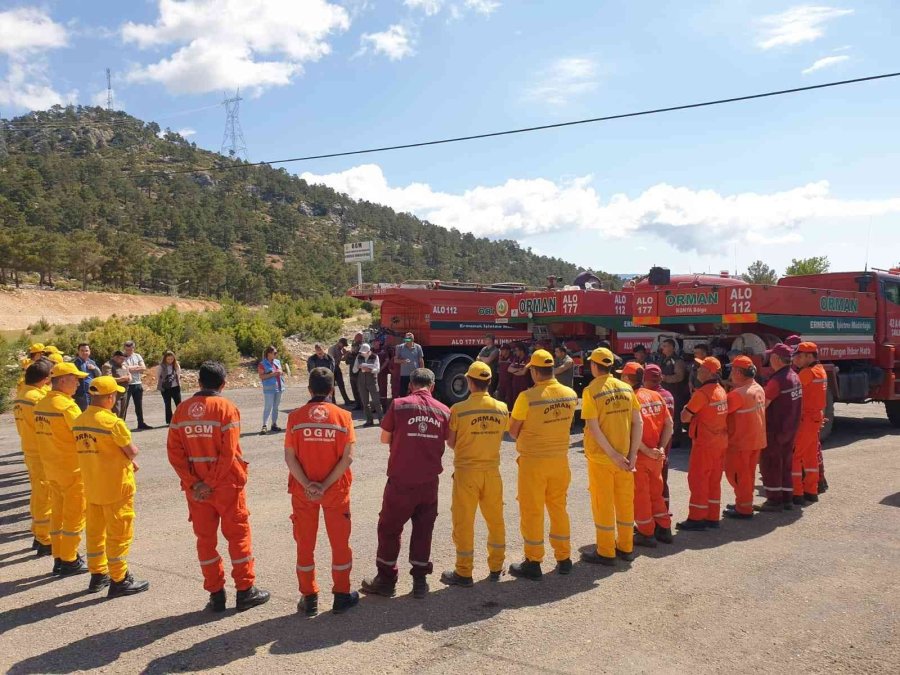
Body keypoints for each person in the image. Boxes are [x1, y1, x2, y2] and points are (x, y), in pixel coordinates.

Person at [167, 361, 270, 612]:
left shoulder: (181, 411)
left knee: (205, 541)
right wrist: (210, 482)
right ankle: (245, 591)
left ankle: (216, 595)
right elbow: (228, 453)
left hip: (198, 491)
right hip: (227, 486)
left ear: (199, 382)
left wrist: (195, 484)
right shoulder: (226, 408)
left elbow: (174, 453)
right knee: (238, 537)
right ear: (223, 384)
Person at [360, 368, 450, 600]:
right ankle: (420, 581)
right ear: (432, 387)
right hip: (428, 483)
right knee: (423, 529)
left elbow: (384, 438)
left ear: (411, 385)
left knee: (389, 529)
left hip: (401, 481)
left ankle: (386, 580)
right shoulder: (444, 411)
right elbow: (450, 441)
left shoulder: (399, 405)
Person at [284, 368, 359, 617]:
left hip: (304, 493)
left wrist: (308, 484)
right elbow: (347, 458)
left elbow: (290, 458)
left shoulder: (295, 418)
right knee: (340, 544)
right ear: (332, 390)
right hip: (335, 491)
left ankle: (309, 597)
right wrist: (324, 486)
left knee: (305, 544)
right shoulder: (343, 417)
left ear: (309, 389)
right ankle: (341, 595)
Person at [74, 375, 150, 597]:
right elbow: (131, 450)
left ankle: (98, 574)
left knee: (95, 532)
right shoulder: (113, 423)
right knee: (119, 534)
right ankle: (120, 578)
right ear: (108, 398)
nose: (116, 398)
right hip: (116, 486)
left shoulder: (79, 420)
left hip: (93, 485)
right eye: (115, 395)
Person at [507, 349, 577, 580]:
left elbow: (513, 431)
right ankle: (564, 558)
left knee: (532, 510)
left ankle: (533, 561)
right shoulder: (569, 394)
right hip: (560, 461)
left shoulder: (527, 397)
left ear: (535, 372)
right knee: (558, 508)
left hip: (533, 463)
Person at [440, 361, 509, 587]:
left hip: (467, 473)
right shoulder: (501, 407)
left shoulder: (458, 409)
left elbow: (450, 442)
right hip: (492, 472)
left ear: (469, 382)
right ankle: (497, 566)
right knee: (496, 521)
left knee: (464, 522)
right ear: (489, 382)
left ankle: (464, 572)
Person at [579, 349, 643, 565]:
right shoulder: (626, 388)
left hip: (601, 459)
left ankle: (606, 551)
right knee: (625, 503)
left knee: (603, 504)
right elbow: (638, 422)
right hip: (625, 460)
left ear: (595, 366)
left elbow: (594, 427)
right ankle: (626, 547)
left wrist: (612, 455)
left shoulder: (591, 390)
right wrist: (631, 455)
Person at [34, 362, 89, 575]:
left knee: (57, 514)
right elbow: (82, 434)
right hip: (71, 469)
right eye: (75, 379)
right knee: (74, 515)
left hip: (51, 468)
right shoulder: (67, 406)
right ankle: (69, 559)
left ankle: (58, 555)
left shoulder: (42, 404)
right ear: (63, 380)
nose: (78, 383)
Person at [619, 361, 674, 547]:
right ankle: (664, 528)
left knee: (640, 496)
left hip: (642, 457)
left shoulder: (629, 399)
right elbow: (669, 425)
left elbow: (632, 430)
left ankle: (645, 532)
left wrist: (646, 450)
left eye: (622, 376)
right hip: (657, 457)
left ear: (627, 378)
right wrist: (660, 448)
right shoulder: (656, 395)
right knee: (656, 493)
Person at [677, 356, 729, 531]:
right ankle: (712, 516)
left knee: (699, 480)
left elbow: (685, 416)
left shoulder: (702, 393)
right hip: (719, 441)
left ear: (709, 372)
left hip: (705, 443)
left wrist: (685, 409)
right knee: (714, 480)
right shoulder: (720, 390)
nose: (697, 370)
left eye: (700, 368)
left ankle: (697, 518)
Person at [13, 359, 53, 556]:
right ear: (45, 379)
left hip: (30, 449)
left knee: (38, 492)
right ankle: (45, 538)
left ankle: (38, 533)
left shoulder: (23, 394)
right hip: (41, 451)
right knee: (45, 494)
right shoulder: (37, 399)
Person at [758, 343, 803, 512]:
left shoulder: (777, 381)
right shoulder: (794, 376)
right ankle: (787, 499)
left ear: (776, 359)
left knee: (771, 464)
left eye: (771, 357)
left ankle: (775, 500)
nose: (769, 360)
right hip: (790, 428)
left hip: (775, 430)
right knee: (786, 464)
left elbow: (764, 405)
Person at [722, 356, 767, 520]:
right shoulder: (758, 388)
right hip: (756, 440)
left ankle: (744, 508)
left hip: (740, 442)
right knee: (747, 475)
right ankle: (744, 503)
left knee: (736, 475)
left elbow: (722, 414)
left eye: (733, 370)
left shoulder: (738, 394)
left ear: (739, 372)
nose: (731, 373)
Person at [791, 342, 827, 505]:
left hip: (806, 419)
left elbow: (792, 390)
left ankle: (797, 492)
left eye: (799, 356)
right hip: (816, 418)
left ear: (808, 356)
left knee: (795, 455)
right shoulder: (821, 371)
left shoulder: (807, 373)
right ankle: (811, 490)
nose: (797, 359)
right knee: (810, 456)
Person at [643, 364, 675, 510]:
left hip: (650, 447)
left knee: (651, 486)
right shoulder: (668, 395)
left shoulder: (648, 397)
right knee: (663, 482)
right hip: (665, 446)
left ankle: (654, 519)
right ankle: (665, 513)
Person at [659, 339, 688, 447]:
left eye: (665, 346)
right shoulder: (662, 359)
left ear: (672, 347)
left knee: (675, 416)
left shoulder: (678, 361)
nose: (663, 348)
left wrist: (665, 378)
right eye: (663, 346)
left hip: (675, 392)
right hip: (665, 392)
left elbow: (679, 376)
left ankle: (676, 439)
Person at [122, 341, 151, 431]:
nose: (129, 351)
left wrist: (130, 368)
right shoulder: (122, 357)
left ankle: (141, 423)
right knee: (124, 406)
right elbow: (123, 369)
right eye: (127, 350)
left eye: (130, 349)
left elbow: (143, 368)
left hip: (137, 384)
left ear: (133, 348)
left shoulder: (137, 356)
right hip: (127, 384)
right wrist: (136, 367)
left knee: (139, 405)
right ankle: (121, 425)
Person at [353, 343, 384, 427]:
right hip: (361, 381)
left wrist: (369, 370)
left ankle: (381, 419)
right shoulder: (358, 357)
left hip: (372, 381)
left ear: (369, 351)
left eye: (364, 352)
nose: (362, 353)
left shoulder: (375, 356)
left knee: (376, 401)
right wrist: (359, 367)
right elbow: (354, 370)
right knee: (365, 402)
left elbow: (377, 369)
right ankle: (369, 420)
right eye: (362, 352)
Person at [258, 345, 284, 435]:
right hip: (269, 388)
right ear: (269, 354)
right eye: (274, 353)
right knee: (268, 407)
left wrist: (280, 372)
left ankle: (274, 424)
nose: (276, 354)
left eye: (276, 353)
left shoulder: (277, 362)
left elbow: (280, 371)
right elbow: (261, 376)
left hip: (279, 387)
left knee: (276, 407)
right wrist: (273, 374)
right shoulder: (262, 364)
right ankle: (264, 425)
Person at [73, 343, 102, 411]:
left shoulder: (91, 362)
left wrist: (94, 368)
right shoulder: (75, 363)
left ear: (89, 351)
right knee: (84, 412)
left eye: (86, 350)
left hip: (93, 392)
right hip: (81, 394)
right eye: (82, 351)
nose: (84, 352)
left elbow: (99, 374)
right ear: (78, 352)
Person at [102, 351, 131, 418]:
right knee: (116, 412)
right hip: (115, 393)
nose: (123, 361)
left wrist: (129, 377)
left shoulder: (123, 365)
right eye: (121, 359)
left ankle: (121, 427)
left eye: (124, 359)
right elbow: (107, 378)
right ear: (116, 357)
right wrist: (121, 379)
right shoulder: (108, 365)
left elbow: (128, 373)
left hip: (124, 392)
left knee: (123, 413)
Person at [156, 350, 182, 425]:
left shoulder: (176, 365)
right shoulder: (161, 366)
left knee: (179, 404)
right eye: (168, 359)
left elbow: (178, 374)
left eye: (171, 359)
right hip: (165, 388)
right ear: (165, 359)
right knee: (168, 404)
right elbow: (158, 376)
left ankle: (180, 419)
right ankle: (169, 421)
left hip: (175, 387)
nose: (170, 361)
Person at [395, 332, 425, 396]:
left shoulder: (418, 347)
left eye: (410, 339)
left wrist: (422, 372)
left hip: (415, 374)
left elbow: (421, 360)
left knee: (415, 391)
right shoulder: (400, 347)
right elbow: (395, 360)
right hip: (404, 374)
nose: (408, 340)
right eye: (407, 339)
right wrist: (403, 361)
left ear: (413, 339)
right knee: (403, 392)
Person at [328, 338, 353, 406]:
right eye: (343, 345)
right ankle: (333, 401)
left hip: (337, 368)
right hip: (331, 369)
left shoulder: (341, 349)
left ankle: (346, 400)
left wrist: (347, 354)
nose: (343, 346)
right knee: (332, 386)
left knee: (341, 384)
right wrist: (343, 355)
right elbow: (332, 360)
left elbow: (343, 360)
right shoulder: (332, 349)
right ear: (339, 343)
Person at [346, 333, 364, 411]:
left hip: (359, 375)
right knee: (354, 390)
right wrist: (349, 355)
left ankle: (363, 405)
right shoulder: (351, 354)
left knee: (360, 390)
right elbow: (347, 362)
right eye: (353, 347)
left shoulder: (360, 355)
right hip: (352, 374)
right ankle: (358, 405)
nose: (353, 348)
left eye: (355, 348)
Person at [373, 339, 392, 409]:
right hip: (373, 373)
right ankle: (376, 406)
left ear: (379, 343)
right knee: (374, 390)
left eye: (377, 343)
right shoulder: (371, 351)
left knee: (383, 388)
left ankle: (384, 406)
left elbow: (387, 360)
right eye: (374, 343)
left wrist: (380, 369)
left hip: (382, 373)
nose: (375, 344)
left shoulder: (383, 351)